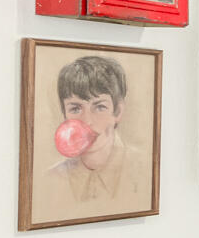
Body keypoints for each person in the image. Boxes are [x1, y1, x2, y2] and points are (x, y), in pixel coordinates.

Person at [41, 53, 148, 216]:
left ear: (118, 111)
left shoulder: (144, 169)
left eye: (99, 107)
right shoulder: (51, 179)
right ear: (64, 115)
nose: (87, 121)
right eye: (75, 109)